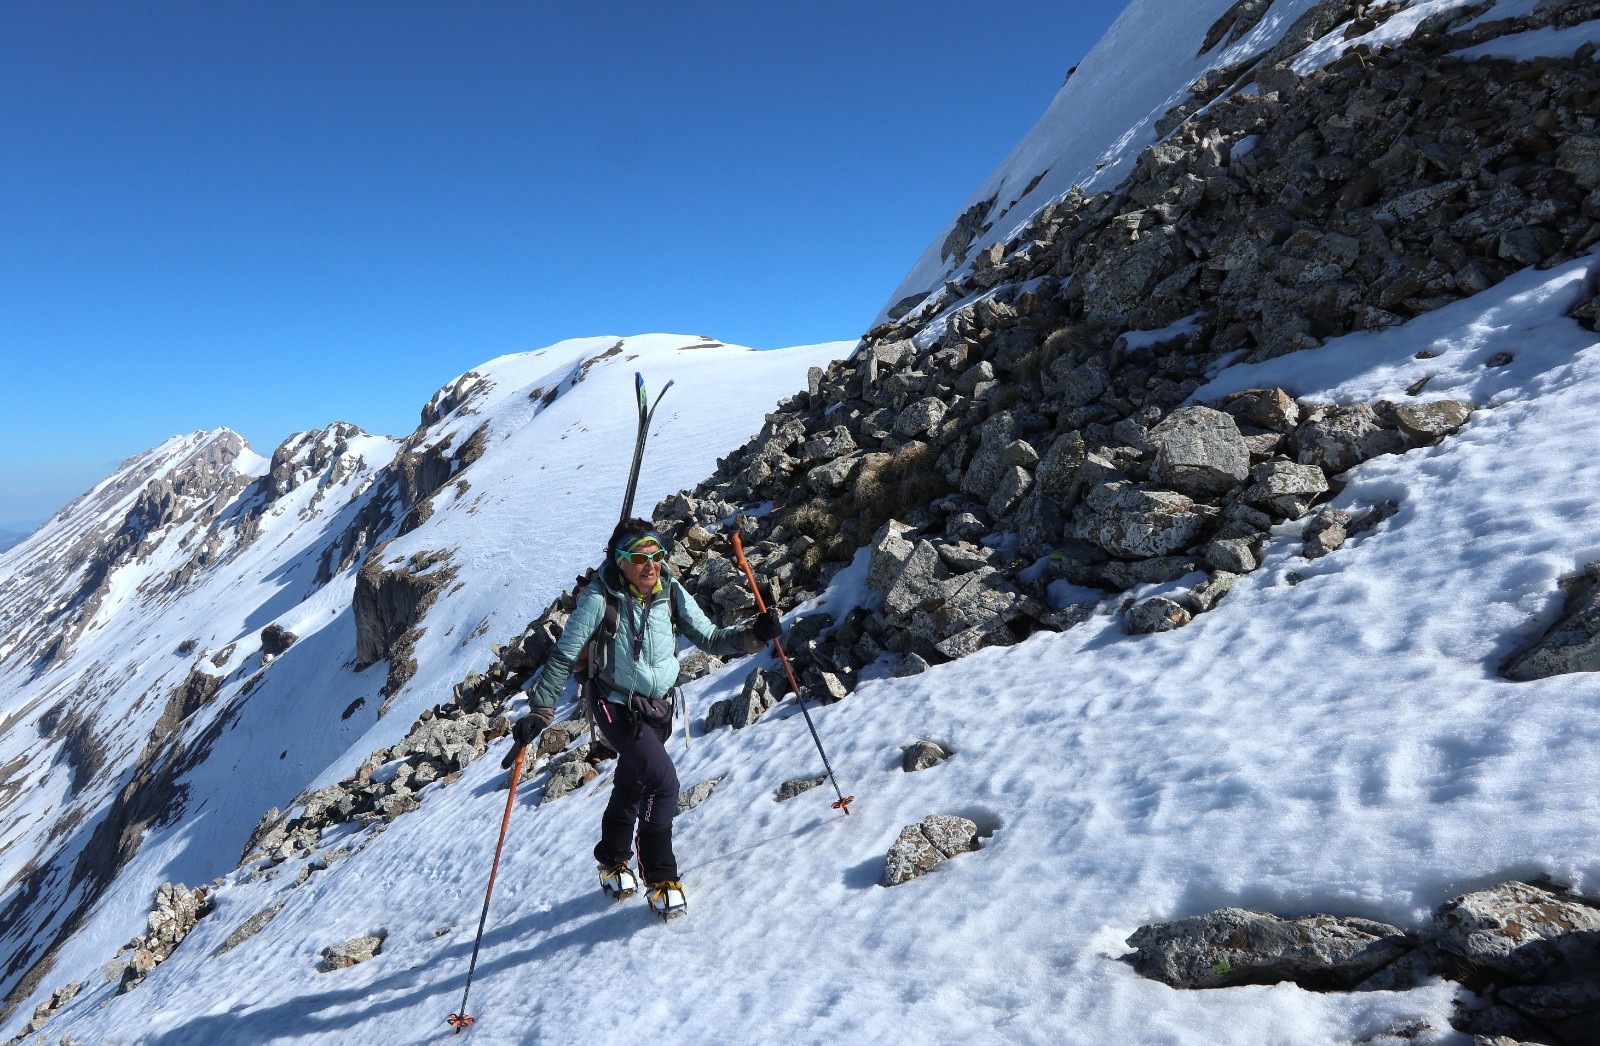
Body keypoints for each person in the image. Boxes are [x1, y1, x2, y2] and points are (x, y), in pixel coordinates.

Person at [502, 517, 781, 918]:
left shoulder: (671, 591)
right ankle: (661, 880)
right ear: (620, 562)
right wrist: (541, 710)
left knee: (633, 783)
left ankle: (612, 862)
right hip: (615, 706)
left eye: (658, 556)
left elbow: (711, 638)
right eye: (639, 558)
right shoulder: (600, 599)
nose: (651, 566)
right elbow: (564, 654)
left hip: (659, 707)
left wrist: (755, 634)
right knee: (663, 784)